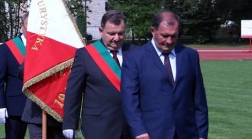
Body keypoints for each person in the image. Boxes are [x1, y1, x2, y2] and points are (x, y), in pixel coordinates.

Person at [121, 11, 208, 139]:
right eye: (165, 35)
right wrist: (139, 131)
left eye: (174, 36)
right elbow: (129, 99)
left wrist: (201, 133)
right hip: (150, 133)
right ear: (153, 30)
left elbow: (199, 99)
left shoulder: (190, 56)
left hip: (187, 133)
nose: (169, 41)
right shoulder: (134, 58)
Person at [63, 10, 134, 139]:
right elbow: (74, 91)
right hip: (98, 127)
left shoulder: (136, 52)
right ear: (101, 31)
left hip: (131, 127)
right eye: (111, 33)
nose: (116, 38)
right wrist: (69, 123)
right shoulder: (85, 55)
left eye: (121, 33)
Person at [0, 13, 41, 139]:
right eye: (28, 25)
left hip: (38, 106)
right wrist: (0, 105)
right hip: (15, 105)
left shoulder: (43, 47)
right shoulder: (7, 48)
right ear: (22, 26)